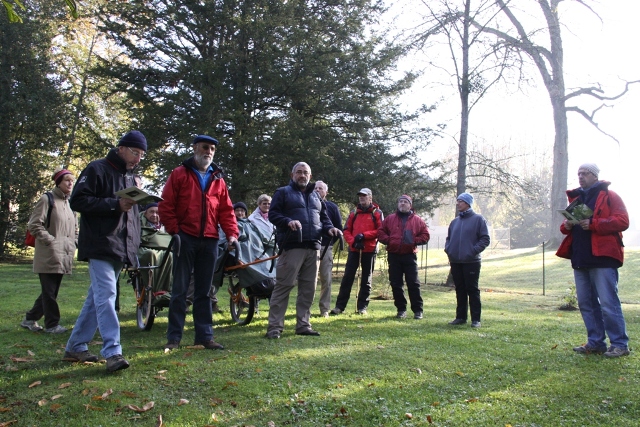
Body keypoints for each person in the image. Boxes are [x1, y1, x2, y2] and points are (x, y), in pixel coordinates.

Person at [64, 130, 147, 372]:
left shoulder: (131, 178)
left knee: (96, 298)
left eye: (142, 154)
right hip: (100, 244)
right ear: (121, 148)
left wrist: (133, 247)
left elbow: (131, 216)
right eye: (135, 152)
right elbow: (77, 201)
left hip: (120, 247)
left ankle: (76, 346)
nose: (138, 158)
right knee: (107, 294)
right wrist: (114, 204)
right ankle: (113, 351)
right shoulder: (97, 169)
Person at [159, 135, 239, 351]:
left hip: (211, 240)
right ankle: (174, 338)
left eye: (212, 148)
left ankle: (204, 336)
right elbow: (166, 205)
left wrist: (232, 234)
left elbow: (226, 210)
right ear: (195, 148)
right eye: (205, 147)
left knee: (205, 290)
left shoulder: (218, 179)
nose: (209, 151)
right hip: (185, 237)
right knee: (180, 290)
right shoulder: (179, 174)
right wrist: (175, 231)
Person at [556, 163, 630, 357]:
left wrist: (594, 224)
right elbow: (565, 229)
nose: (581, 176)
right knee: (587, 304)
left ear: (595, 176)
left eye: (585, 173)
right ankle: (596, 343)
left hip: (603, 258)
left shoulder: (610, 196)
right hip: (581, 258)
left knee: (608, 303)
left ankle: (620, 345)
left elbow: (623, 221)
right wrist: (568, 225)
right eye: (579, 173)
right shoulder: (577, 198)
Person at [265, 162, 342, 339]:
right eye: (298, 172)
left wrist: (330, 229)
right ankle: (274, 327)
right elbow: (273, 214)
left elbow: (324, 219)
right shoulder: (283, 192)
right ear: (292, 175)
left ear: (310, 176)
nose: (302, 175)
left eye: (305, 172)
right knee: (284, 286)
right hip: (292, 246)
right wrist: (287, 221)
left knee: (308, 289)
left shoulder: (316, 196)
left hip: (313, 247)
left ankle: (303, 325)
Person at [21, 168, 78, 334]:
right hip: (48, 253)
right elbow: (34, 224)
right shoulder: (47, 199)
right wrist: (50, 241)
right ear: (58, 182)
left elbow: (74, 227)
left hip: (65, 253)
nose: (70, 183)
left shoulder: (69, 203)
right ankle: (52, 324)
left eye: (72, 180)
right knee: (49, 291)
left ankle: (30, 319)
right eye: (67, 180)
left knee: (51, 290)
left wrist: (74, 241)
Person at [378, 195, 430, 319]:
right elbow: (380, 232)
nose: (402, 204)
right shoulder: (390, 219)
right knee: (396, 283)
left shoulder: (417, 220)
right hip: (394, 255)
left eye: (405, 202)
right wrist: (389, 240)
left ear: (410, 205)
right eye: (400, 201)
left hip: (409, 255)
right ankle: (401, 309)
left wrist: (413, 240)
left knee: (413, 283)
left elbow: (425, 235)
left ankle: (418, 310)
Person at [330, 187, 381, 316]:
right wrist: (353, 241)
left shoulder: (377, 213)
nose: (362, 198)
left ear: (370, 197)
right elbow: (346, 230)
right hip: (354, 249)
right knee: (347, 278)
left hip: (369, 250)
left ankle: (362, 307)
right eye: (360, 196)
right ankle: (339, 306)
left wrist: (364, 235)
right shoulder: (354, 213)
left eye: (364, 196)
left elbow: (380, 231)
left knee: (366, 279)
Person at [444, 192, 490, 328]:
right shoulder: (454, 222)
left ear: (468, 203)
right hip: (456, 261)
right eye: (457, 201)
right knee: (460, 289)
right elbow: (449, 239)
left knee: (472, 290)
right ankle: (460, 317)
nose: (458, 203)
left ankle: (476, 319)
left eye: (461, 201)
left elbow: (485, 239)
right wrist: (449, 250)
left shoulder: (478, 219)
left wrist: (472, 252)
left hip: (472, 262)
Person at [314, 181, 343, 317]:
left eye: (320, 188)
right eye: (315, 188)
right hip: (309, 246)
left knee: (326, 278)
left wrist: (330, 242)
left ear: (326, 192)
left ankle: (324, 309)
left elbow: (338, 228)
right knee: (309, 279)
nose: (317, 190)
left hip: (326, 247)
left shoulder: (332, 207)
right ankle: (305, 309)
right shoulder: (306, 205)